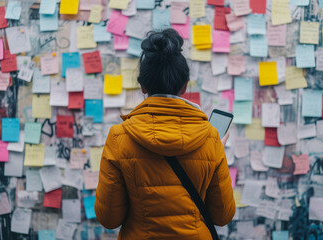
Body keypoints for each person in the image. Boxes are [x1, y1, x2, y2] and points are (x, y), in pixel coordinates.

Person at [94, 28, 235, 239]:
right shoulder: (210, 138)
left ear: (142, 85)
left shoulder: (119, 137)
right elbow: (223, 215)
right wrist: (215, 152)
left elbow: (109, 218)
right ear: (185, 85)